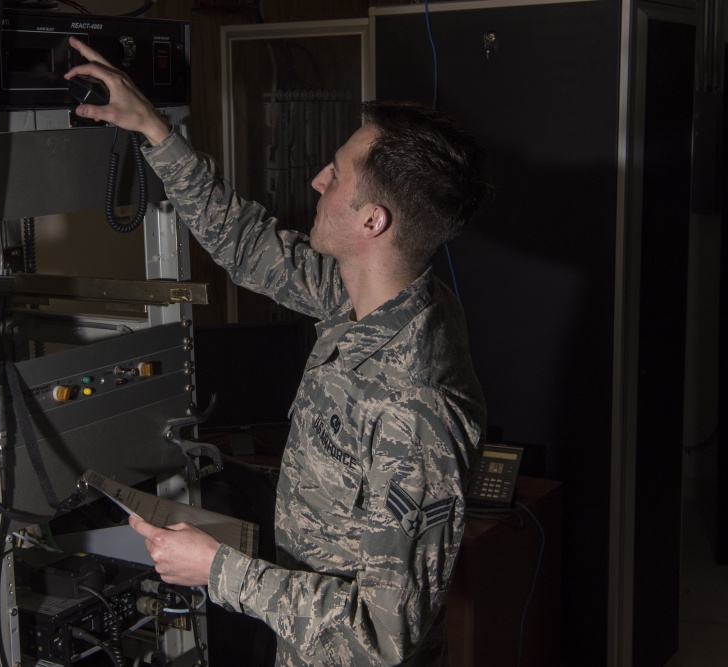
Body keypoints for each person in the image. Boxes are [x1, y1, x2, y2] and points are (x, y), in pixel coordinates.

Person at [66, 37, 488, 667]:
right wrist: (153, 128)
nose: (318, 179)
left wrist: (217, 569)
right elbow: (247, 246)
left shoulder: (417, 407)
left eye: (336, 175)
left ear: (372, 221)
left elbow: (382, 638)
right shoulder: (370, 297)